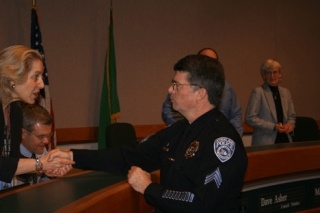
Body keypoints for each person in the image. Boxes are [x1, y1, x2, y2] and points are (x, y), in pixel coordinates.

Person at [51, 55, 248, 212]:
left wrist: (148, 188)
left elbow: (200, 202)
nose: (170, 90)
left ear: (200, 93)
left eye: (177, 85)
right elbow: (128, 156)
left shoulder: (222, 142)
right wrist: (72, 156)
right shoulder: (178, 131)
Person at [0, 45, 74, 190]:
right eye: (36, 76)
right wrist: (40, 163)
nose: (41, 84)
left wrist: (46, 168)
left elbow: (12, 163)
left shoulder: (14, 110)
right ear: (13, 77)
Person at [162, 48, 243, 136]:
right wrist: (182, 130)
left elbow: (236, 114)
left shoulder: (227, 88)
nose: (170, 89)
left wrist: (233, 135)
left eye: (213, 61)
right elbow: (168, 111)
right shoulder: (178, 88)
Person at [245, 59, 296, 145]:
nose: (272, 76)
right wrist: (273, 127)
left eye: (275, 72)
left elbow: (292, 116)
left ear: (280, 74)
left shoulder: (286, 92)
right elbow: (250, 118)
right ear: (264, 75)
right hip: (265, 142)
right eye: (268, 73)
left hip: (285, 139)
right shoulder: (258, 92)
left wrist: (290, 125)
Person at [15, 103, 54, 185]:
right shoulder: (9, 154)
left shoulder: (40, 148)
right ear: (23, 133)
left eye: (49, 135)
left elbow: (45, 180)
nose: (47, 141)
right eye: (41, 136)